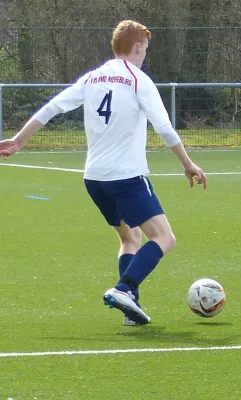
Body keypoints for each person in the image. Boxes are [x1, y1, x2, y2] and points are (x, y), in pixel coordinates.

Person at [0, 20, 207, 326]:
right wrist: (188, 163)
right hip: (127, 177)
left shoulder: (93, 78)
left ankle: (130, 307)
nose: (145, 55)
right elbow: (164, 128)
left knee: (129, 238)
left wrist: (19, 140)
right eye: (145, 49)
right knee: (164, 237)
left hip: (95, 179)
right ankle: (124, 288)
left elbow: (51, 108)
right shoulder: (139, 80)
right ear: (137, 48)